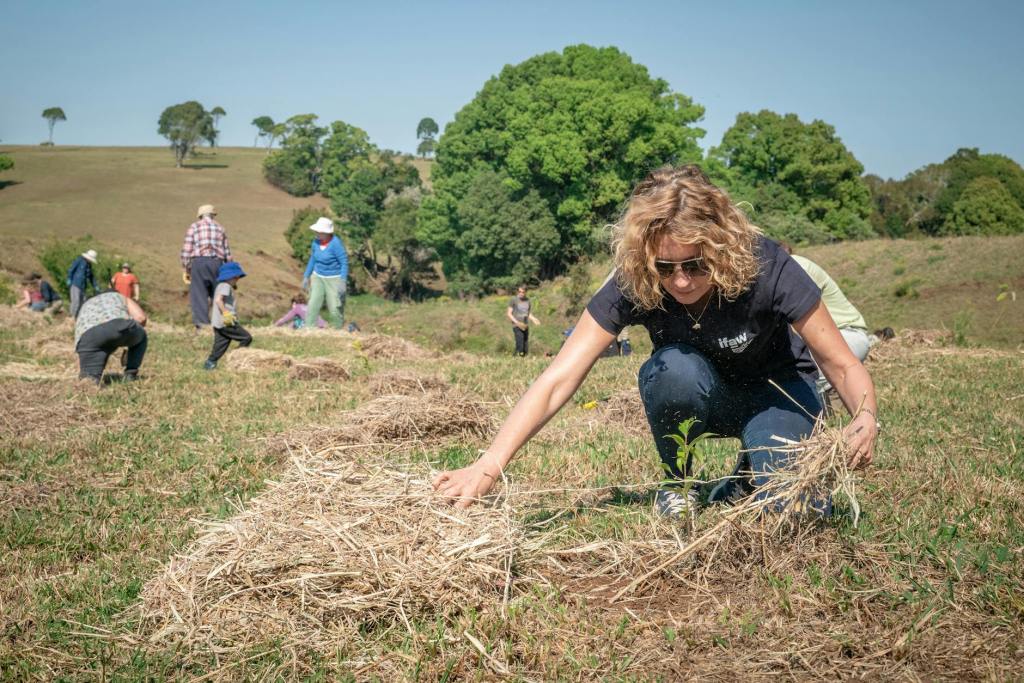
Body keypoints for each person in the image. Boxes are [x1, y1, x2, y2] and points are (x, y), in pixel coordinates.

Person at [434, 165, 879, 518]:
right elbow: (559, 377)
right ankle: (678, 482)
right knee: (671, 370)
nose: (681, 281)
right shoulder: (636, 278)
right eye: (665, 268)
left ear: (722, 246)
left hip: (778, 395)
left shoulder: (767, 264)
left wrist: (864, 416)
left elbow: (841, 363)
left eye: (696, 264)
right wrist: (488, 465)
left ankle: (751, 472)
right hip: (704, 393)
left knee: (796, 511)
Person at [777, 244, 870, 363]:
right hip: (832, 337)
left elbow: (794, 324)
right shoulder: (788, 268)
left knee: (800, 367)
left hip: (845, 333)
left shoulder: (795, 267)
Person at [74, 289, 148, 383]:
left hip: (87, 338)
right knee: (142, 335)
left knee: (89, 380)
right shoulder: (119, 296)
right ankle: (130, 374)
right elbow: (141, 318)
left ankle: (90, 383)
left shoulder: (85, 304)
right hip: (117, 326)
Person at [181, 204, 232, 328]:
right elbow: (227, 253)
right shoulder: (220, 228)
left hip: (199, 263)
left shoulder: (194, 227)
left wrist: (186, 268)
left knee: (199, 295)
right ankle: (220, 324)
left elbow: (186, 250)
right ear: (213, 215)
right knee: (218, 294)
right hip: (217, 264)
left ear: (200, 215)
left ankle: (202, 325)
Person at [301, 217, 348, 330]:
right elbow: (313, 258)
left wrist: (343, 281)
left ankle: (336, 329)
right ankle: (309, 328)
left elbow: (344, 262)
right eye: (316, 231)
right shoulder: (315, 242)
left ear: (327, 233)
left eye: (319, 231)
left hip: (334, 278)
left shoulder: (335, 244)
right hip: (318, 276)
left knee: (335, 306)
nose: (316, 233)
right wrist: (306, 276)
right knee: (313, 303)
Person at [204, 262, 252, 370]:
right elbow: (218, 300)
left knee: (219, 346)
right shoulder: (226, 286)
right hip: (226, 322)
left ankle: (210, 364)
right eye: (237, 277)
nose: (237, 279)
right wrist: (226, 313)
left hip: (218, 323)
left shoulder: (220, 286)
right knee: (246, 338)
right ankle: (236, 358)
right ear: (232, 277)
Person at [507, 286, 541, 356]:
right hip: (516, 326)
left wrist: (534, 319)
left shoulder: (527, 301)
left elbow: (528, 313)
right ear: (517, 292)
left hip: (525, 325)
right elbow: (509, 313)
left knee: (525, 347)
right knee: (520, 345)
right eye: (520, 292)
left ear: (525, 292)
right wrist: (517, 323)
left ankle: (515, 359)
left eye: (523, 292)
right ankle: (519, 358)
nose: (521, 293)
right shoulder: (514, 300)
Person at [66, 249, 99, 318]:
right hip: (75, 284)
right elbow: (71, 269)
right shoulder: (79, 260)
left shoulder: (89, 266)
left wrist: (95, 286)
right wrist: (69, 278)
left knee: (82, 302)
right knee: (76, 302)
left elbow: (91, 277)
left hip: (83, 286)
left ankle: (78, 317)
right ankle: (71, 317)